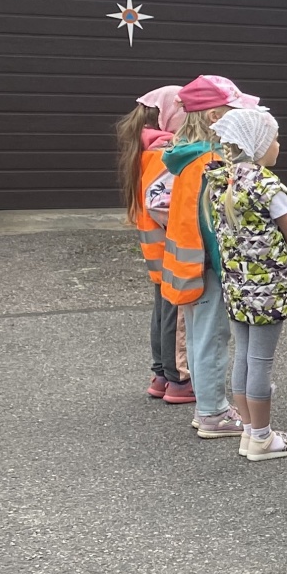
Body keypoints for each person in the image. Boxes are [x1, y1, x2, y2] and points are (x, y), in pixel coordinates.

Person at [204, 106, 287, 461]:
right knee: (261, 362)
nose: (279, 145)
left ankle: (250, 433)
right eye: (274, 139)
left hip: (236, 287)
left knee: (244, 358)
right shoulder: (268, 186)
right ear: (257, 145)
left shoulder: (220, 181)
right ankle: (263, 438)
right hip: (267, 291)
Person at [159, 74, 260, 440]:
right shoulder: (212, 161)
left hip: (187, 265)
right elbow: (213, 224)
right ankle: (213, 412)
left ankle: (208, 407)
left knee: (202, 336)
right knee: (212, 338)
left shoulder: (186, 157)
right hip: (207, 268)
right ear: (216, 117)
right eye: (233, 112)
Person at [121, 85, 192, 403]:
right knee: (176, 316)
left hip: (157, 249)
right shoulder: (165, 155)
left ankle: (161, 375)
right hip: (172, 248)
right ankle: (179, 380)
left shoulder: (145, 151)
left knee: (162, 312)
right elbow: (161, 205)